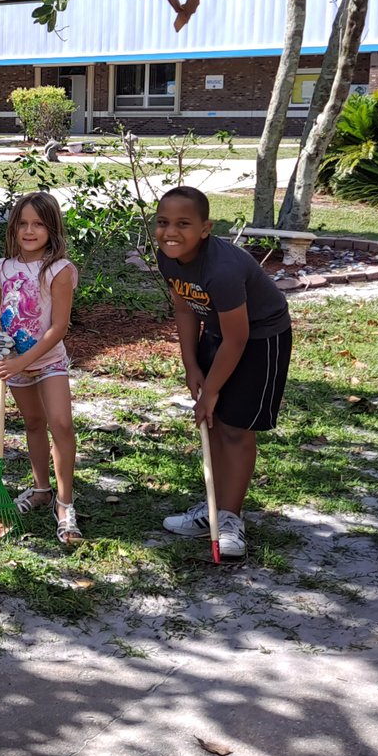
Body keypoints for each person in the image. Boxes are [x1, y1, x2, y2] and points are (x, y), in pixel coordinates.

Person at [155, 186, 292, 560]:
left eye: (183, 224)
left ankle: (230, 520)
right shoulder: (168, 256)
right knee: (212, 423)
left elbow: (239, 337)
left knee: (234, 426)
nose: (170, 232)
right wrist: (192, 366)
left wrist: (211, 389)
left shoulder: (223, 269)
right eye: (163, 222)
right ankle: (213, 510)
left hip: (260, 338)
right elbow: (184, 310)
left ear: (205, 228)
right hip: (216, 332)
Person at [0, 191, 82, 545]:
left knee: (61, 423)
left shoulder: (59, 269)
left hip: (47, 361)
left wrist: (22, 362)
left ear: (51, 228)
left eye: (38, 224)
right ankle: (41, 488)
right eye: (23, 223)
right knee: (32, 423)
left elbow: (59, 326)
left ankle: (64, 501)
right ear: (14, 228)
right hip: (13, 363)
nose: (30, 231)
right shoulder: (3, 267)